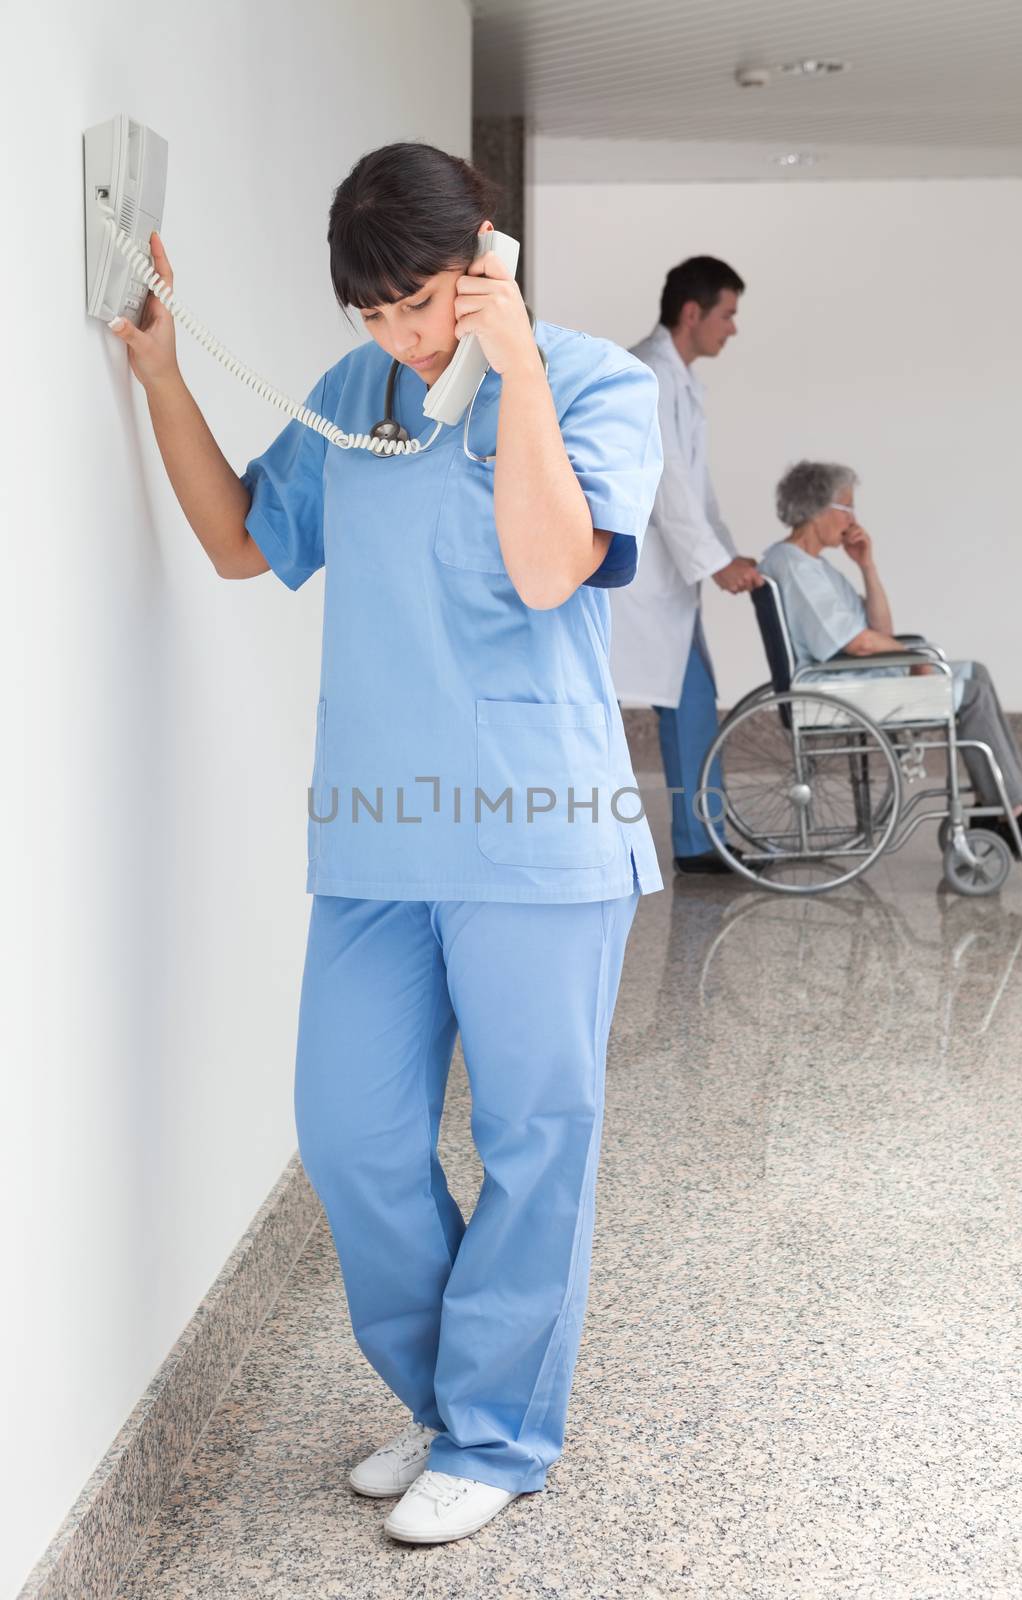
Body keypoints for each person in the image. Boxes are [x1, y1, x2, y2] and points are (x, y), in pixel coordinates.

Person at [107, 141, 666, 1545]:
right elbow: (245, 541)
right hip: (373, 840)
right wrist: (163, 375)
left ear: (485, 259)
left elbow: (551, 567)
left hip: (537, 833)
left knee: (536, 1141)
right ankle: (446, 1408)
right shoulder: (357, 396)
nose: (405, 340)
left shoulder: (599, 383)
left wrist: (513, 365)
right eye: (376, 315)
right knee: (350, 1138)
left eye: (423, 305)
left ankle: (495, 1434)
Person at [759, 461, 1022, 851]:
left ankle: (1003, 803)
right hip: (835, 687)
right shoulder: (793, 566)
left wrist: (866, 565)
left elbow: (879, 630)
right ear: (819, 508)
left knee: (976, 673)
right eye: (848, 508)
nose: (853, 519)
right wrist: (911, 657)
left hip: (853, 677)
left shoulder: (812, 566)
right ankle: (1013, 813)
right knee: (970, 693)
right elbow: (859, 645)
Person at [610, 256, 764, 875]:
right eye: (728, 314)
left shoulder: (677, 379)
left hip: (668, 578)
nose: (734, 328)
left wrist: (725, 555)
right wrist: (713, 563)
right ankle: (701, 844)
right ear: (693, 312)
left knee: (691, 700)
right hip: (642, 578)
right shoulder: (648, 373)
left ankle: (702, 841)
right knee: (690, 699)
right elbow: (668, 483)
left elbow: (698, 490)